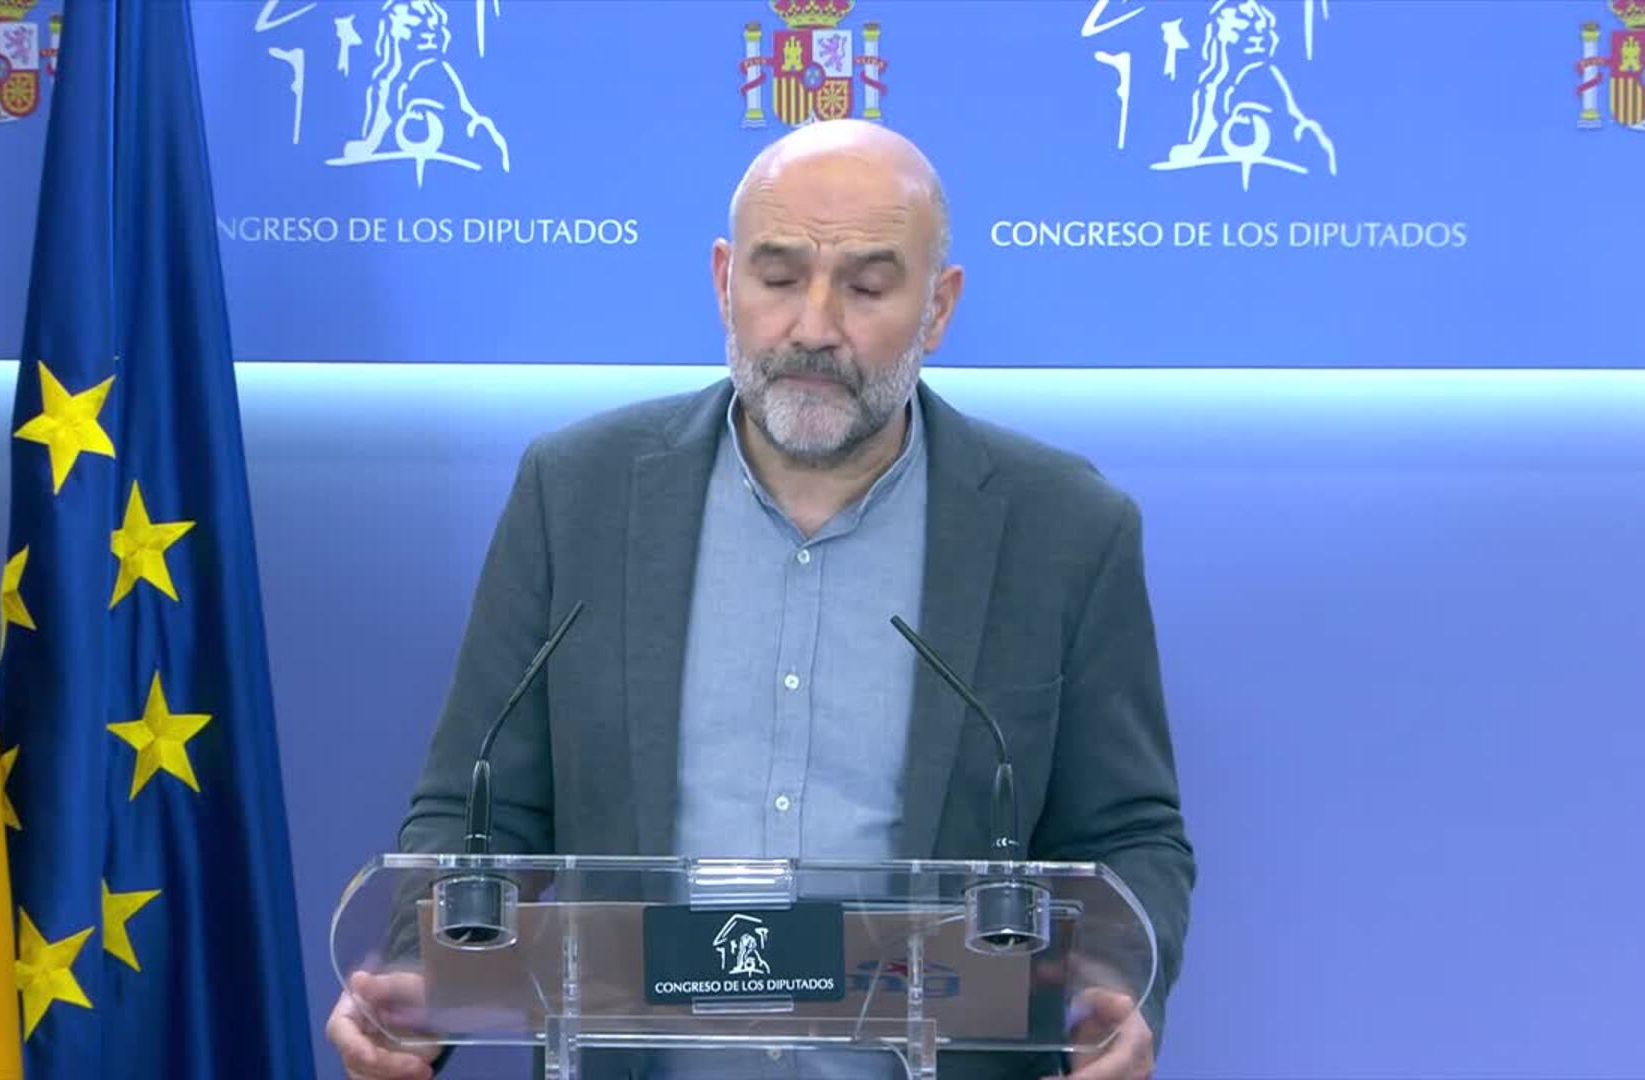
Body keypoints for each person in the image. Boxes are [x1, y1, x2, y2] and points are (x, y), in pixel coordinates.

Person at [328, 119, 1194, 1080]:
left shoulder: (1063, 529)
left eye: (866, 286)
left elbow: (1128, 836)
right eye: (778, 277)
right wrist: (423, 978)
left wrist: (1113, 987)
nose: (813, 328)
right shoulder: (574, 496)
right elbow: (475, 807)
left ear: (938, 307)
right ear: (723, 282)